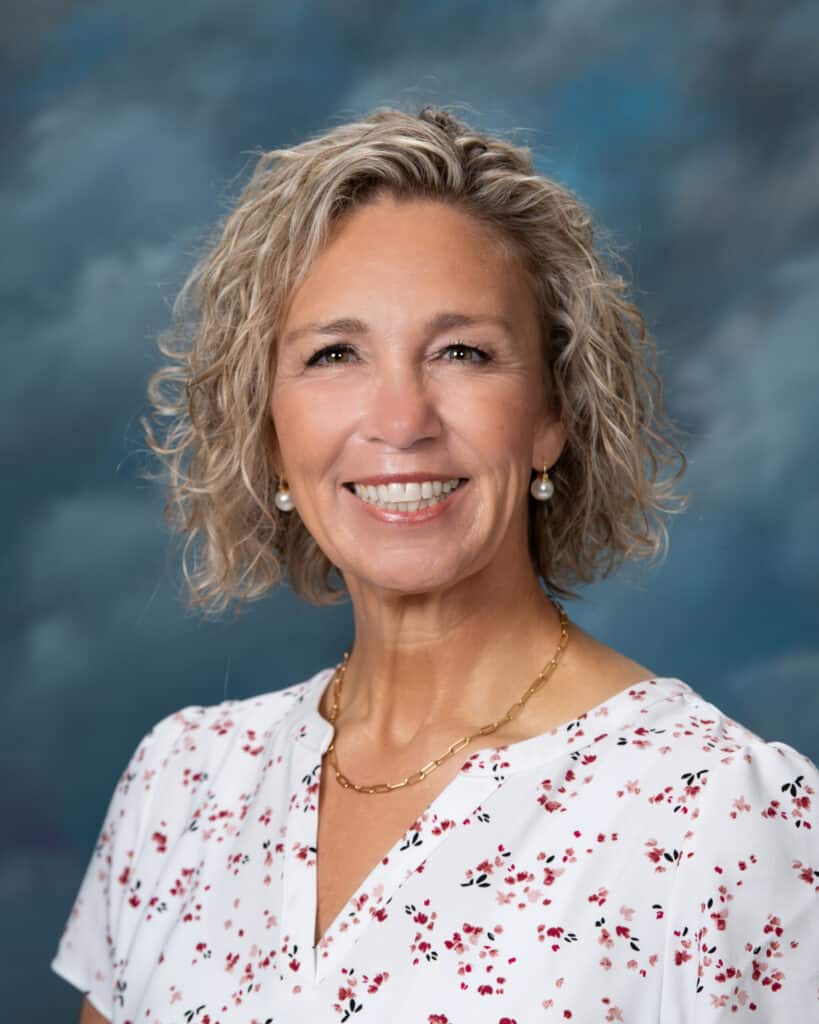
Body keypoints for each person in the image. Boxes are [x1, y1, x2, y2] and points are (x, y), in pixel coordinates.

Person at [51, 105, 818, 1023]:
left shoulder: (719, 815)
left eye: (463, 352)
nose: (402, 420)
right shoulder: (182, 786)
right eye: (333, 354)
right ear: (268, 427)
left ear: (550, 417)